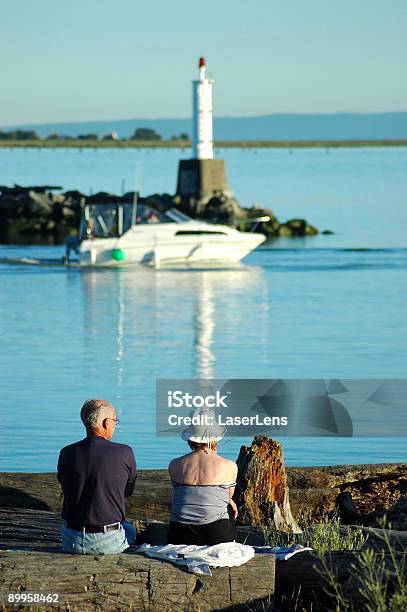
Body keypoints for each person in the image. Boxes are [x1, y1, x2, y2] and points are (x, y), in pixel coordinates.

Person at [57, 398, 137, 554]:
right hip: (107, 541)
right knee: (129, 528)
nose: (115, 424)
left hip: (71, 540)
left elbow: (64, 484)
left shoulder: (66, 452)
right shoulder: (124, 452)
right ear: (106, 423)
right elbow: (127, 491)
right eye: (115, 420)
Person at [167, 406, 238, 546]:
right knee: (229, 507)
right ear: (214, 439)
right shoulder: (229, 466)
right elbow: (227, 497)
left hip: (179, 535)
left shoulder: (174, 464)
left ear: (190, 439)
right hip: (216, 535)